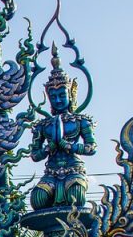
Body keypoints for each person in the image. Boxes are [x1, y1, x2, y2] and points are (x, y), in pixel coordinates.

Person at [29, 46, 96, 210]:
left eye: (62, 95)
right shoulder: (43, 125)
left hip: (74, 168)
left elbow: (91, 147)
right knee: (38, 199)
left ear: (70, 94)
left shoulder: (81, 121)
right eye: (53, 96)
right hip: (51, 172)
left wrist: (71, 146)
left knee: (76, 196)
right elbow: (35, 155)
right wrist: (47, 149)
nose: (58, 100)